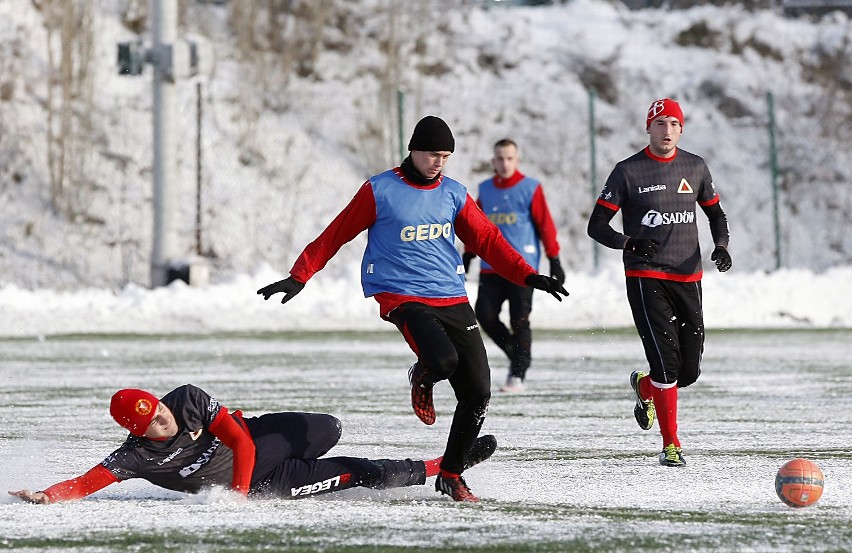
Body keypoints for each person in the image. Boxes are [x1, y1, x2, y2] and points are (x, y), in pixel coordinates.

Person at [257, 116, 568, 502]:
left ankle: (452, 473)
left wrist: (528, 275)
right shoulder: (380, 189)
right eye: (433, 154)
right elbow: (337, 233)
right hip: (402, 294)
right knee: (442, 360)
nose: (439, 162)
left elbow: (487, 239)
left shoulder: (454, 193)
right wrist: (299, 275)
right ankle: (423, 375)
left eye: (446, 156)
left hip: (451, 294)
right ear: (413, 150)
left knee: (479, 390)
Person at [8, 384, 498, 504]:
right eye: (154, 423)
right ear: (137, 433)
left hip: (253, 444)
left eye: (160, 410)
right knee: (354, 470)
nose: (164, 420)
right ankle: (441, 468)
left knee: (328, 428)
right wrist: (49, 495)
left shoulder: (187, 400)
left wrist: (236, 494)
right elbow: (85, 481)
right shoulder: (136, 456)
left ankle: (306, 451)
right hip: (267, 479)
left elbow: (240, 443)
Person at [586, 98, 732, 468]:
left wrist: (721, 247)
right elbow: (597, 225)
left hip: (688, 276)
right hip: (645, 275)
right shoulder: (627, 172)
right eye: (660, 124)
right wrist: (629, 242)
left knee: (689, 371)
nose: (667, 131)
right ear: (647, 128)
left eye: (673, 124)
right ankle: (671, 444)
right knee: (666, 363)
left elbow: (715, 213)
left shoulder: (694, 166)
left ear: (681, 129)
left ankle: (644, 386)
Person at [463, 138, 564, 393]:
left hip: (522, 270)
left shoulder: (530, 188)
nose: (504, 163)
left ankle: (518, 372)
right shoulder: (485, 190)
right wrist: (468, 254)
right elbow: (475, 226)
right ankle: (518, 357)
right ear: (493, 161)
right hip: (491, 267)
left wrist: (554, 259)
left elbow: (545, 225)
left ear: (517, 160)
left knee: (519, 320)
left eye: (509, 158)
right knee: (484, 314)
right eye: (499, 158)